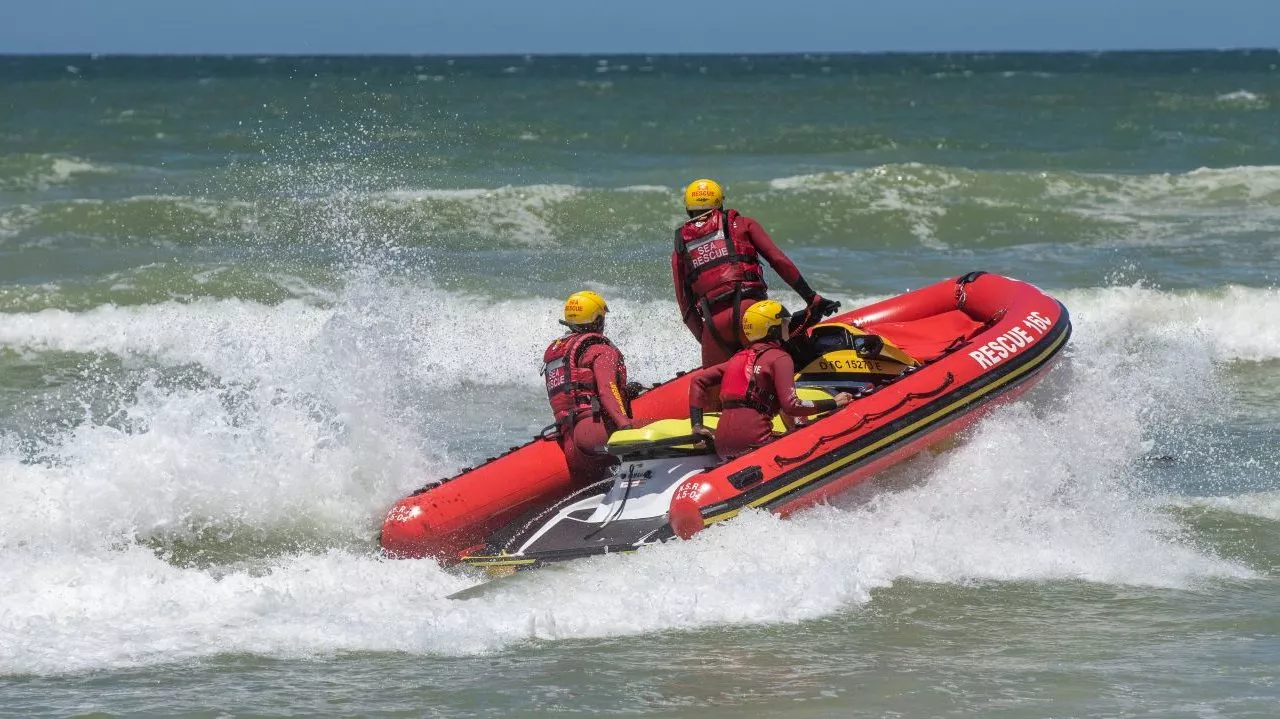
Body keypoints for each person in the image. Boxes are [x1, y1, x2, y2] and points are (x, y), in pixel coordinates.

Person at [672, 178, 842, 367]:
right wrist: (812, 298)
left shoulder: (681, 248)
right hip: (752, 314)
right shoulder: (743, 224)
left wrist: (709, 341)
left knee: (717, 390)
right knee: (791, 360)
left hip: (714, 327)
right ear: (720, 203)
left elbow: (686, 308)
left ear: (688, 209)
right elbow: (778, 261)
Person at [688, 300, 853, 461]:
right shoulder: (780, 358)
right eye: (784, 323)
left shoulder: (736, 359)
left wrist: (697, 425)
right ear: (773, 329)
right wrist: (833, 402)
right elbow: (792, 405)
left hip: (722, 446)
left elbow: (698, 380)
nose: (787, 326)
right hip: (754, 443)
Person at [543, 291, 637, 485]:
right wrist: (625, 425)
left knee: (593, 488)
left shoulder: (559, 353)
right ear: (597, 321)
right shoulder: (600, 350)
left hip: (570, 442)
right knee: (653, 430)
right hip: (595, 431)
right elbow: (606, 389)